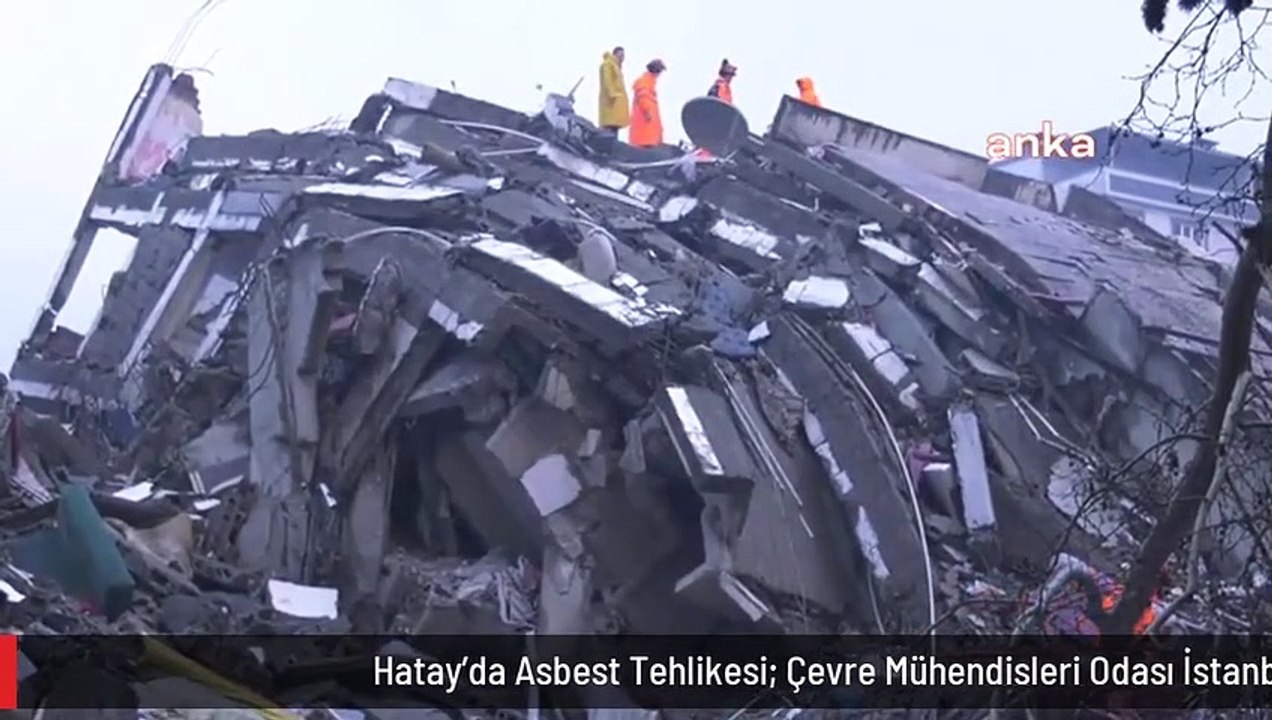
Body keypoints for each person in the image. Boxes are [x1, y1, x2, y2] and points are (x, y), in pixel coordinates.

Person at [629, 59, 666, 147]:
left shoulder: (649, 82)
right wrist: (647, 111)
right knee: (645, 149)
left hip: (648, 132)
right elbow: (643, 97)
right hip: (645, 132)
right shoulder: (645, 82)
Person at [598, 46, 630, 135]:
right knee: (609, 130)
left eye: (623, 55)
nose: (622, 57)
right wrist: (612, 94)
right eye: (621, 54)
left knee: (614, 129)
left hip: (615, 105)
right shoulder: (608, 64)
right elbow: (607, 80)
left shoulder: (616, 66)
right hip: (611, 103)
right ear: (615, 54)